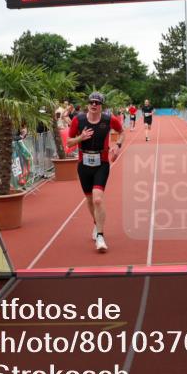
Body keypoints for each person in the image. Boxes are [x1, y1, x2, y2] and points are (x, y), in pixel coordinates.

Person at [66, 92, 123, 253]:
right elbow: (69, 142)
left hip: (102, 163)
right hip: (83, 164)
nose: (94, 104)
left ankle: (100, 235)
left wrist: (117, 145)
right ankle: (96, 223)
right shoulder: (79, 120)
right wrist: (80, 138)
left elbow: (122, 132)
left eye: (97, 102)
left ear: (101, 105)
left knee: (98, 199)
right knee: (90, 199)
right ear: (88, 104)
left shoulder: (108, 119)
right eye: (91, 102)